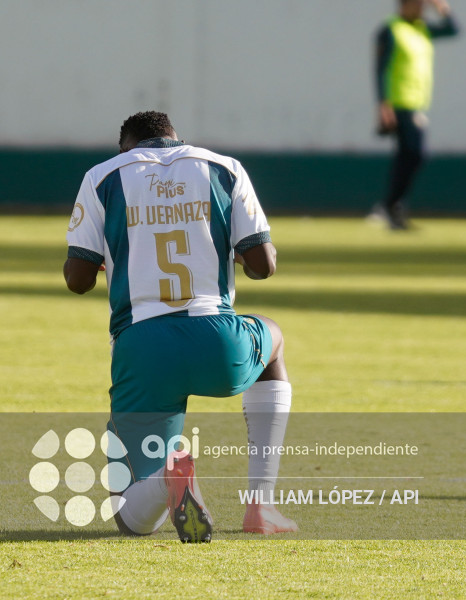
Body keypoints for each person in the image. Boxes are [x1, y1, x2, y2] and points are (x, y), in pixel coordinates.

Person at [63, 111, 297, 542]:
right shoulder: (224, 168)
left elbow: (78, 281)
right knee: (273, 339)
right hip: (218, 342)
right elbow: (263, 267)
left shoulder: (103, 177)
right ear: (175, 138)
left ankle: (168, 477)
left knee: (133, 520)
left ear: (125, 149)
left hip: (143, 347)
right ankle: (260, 506)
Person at [371, 0, 459, 230]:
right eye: (418, 4)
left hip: (416, 103)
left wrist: (443, 8)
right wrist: (383, 104)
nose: (422, 9)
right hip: (399, 103)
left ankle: (392, 206)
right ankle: (391, 205)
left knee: (409, 155)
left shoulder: (421, 29)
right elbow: (380, 68)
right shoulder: (391, 29)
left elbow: (452, 30)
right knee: (414, 153)